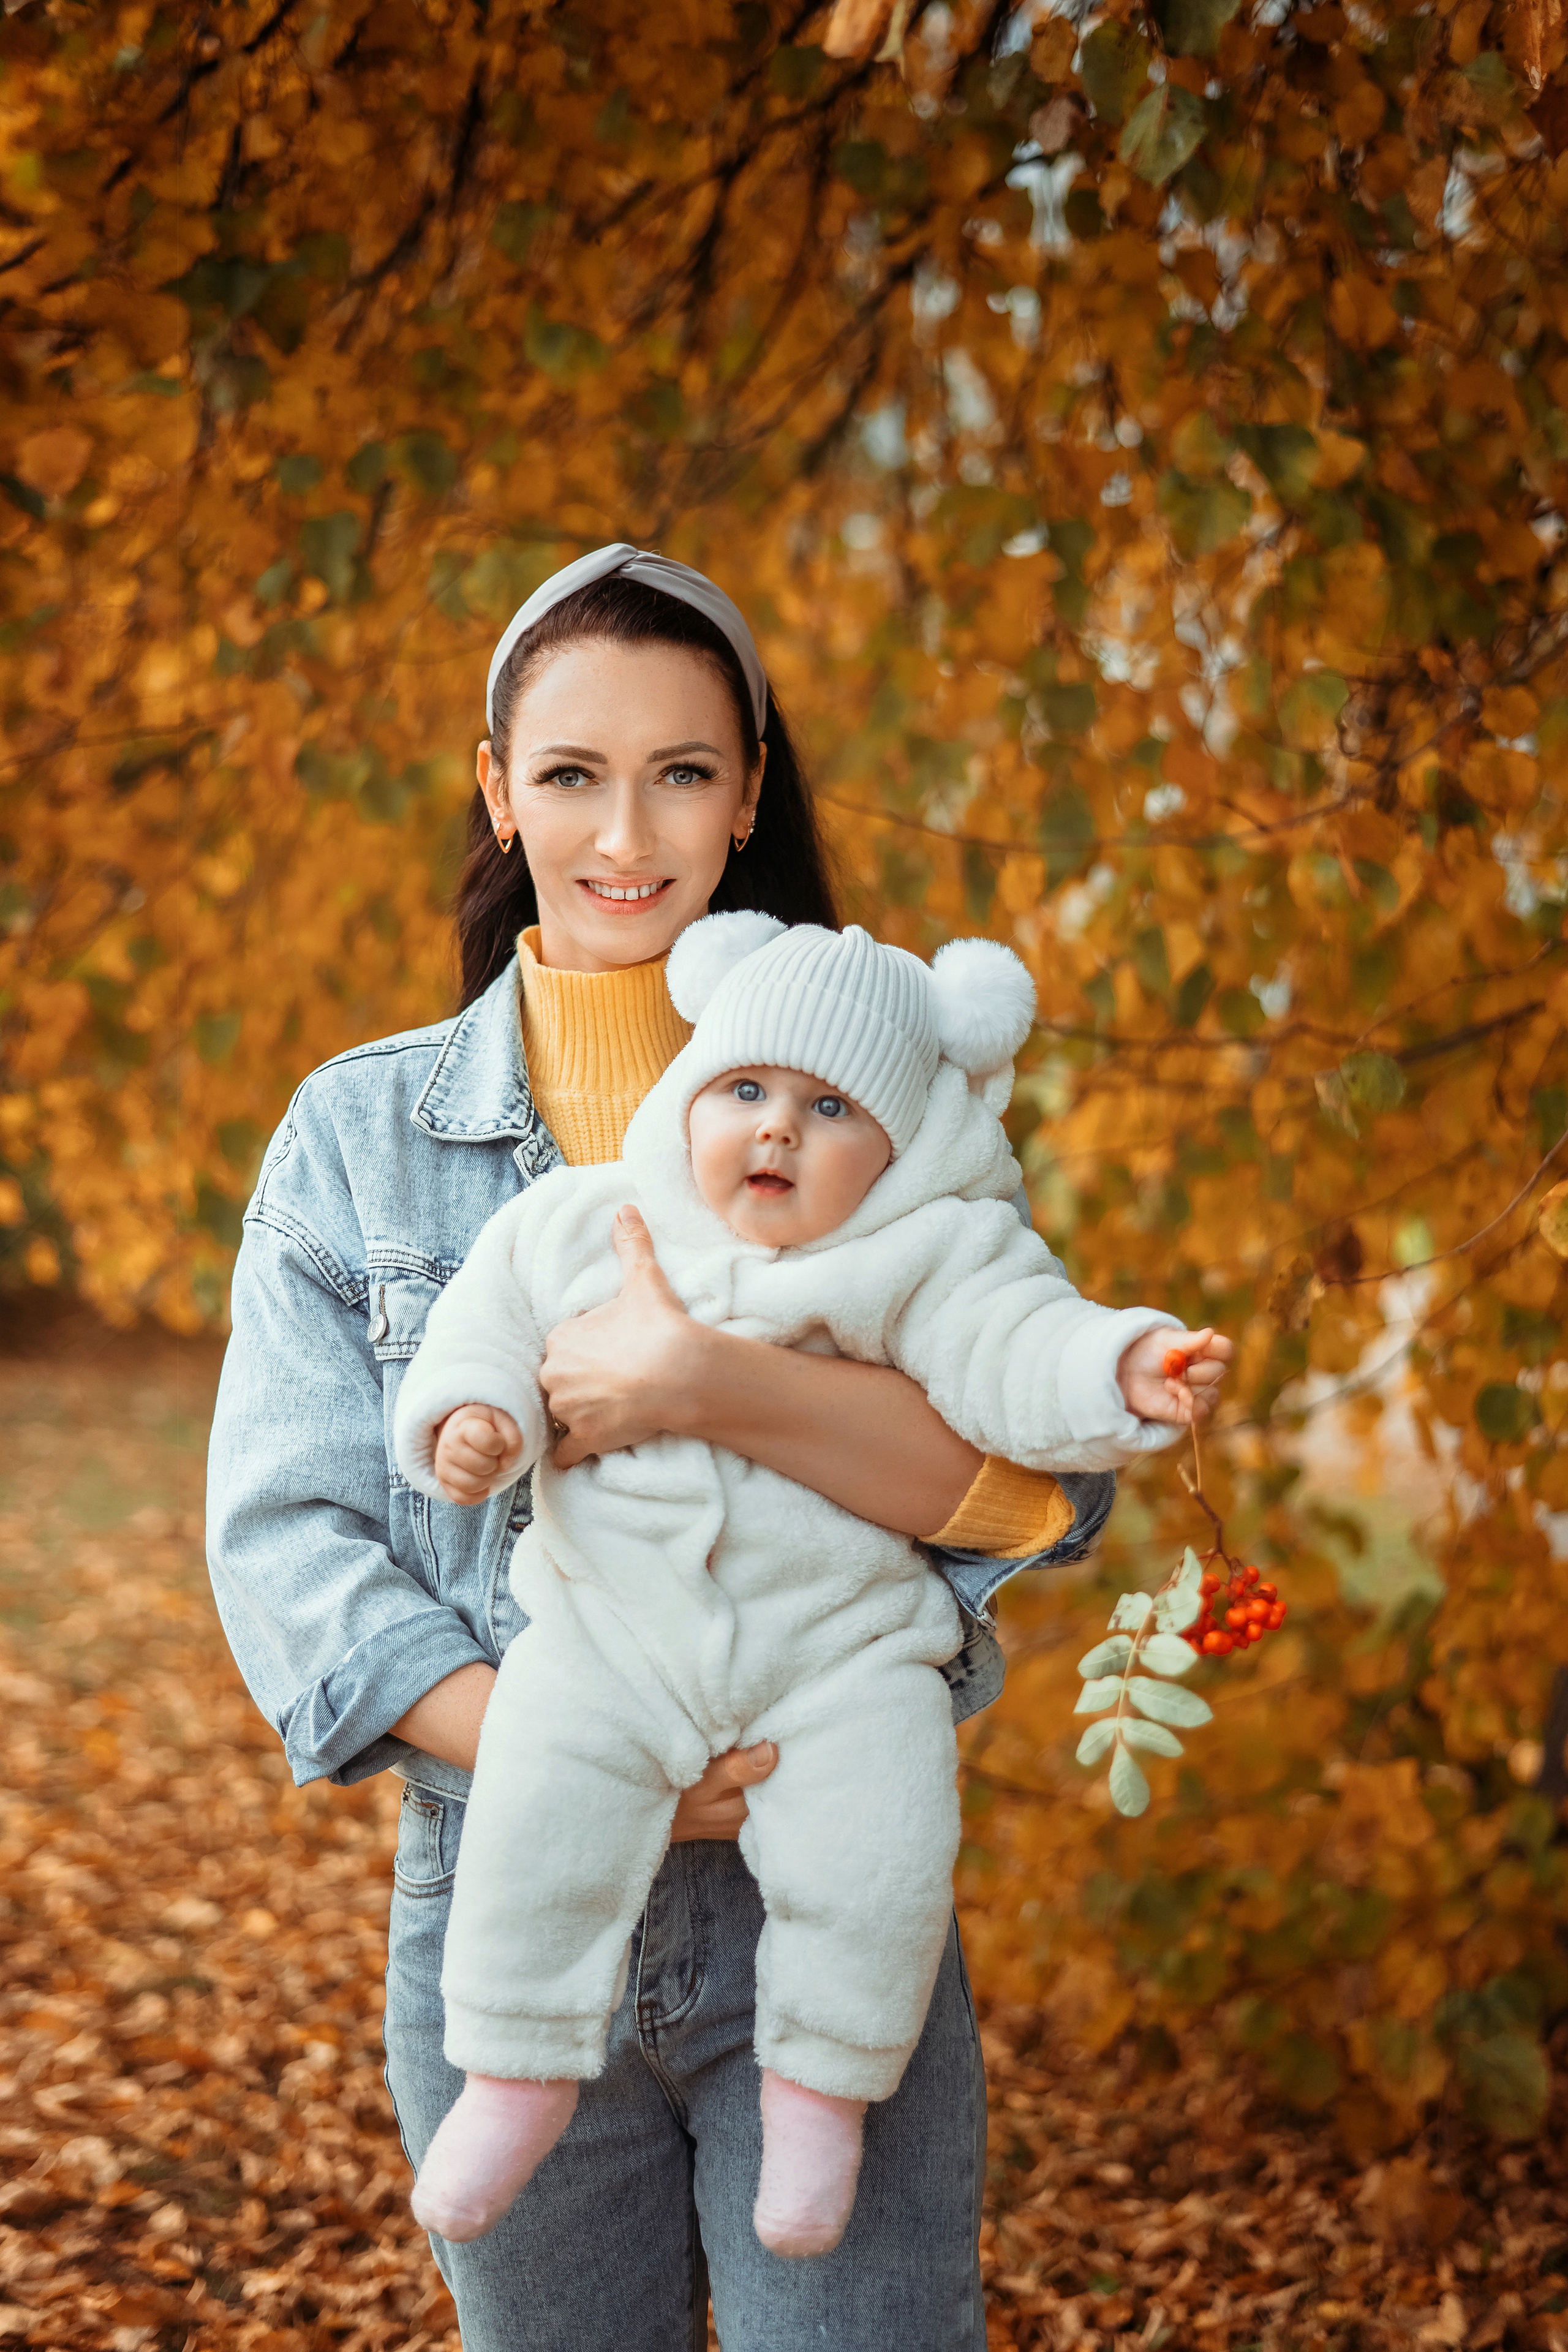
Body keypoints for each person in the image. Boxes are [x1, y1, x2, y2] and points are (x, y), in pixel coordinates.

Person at [203, 541, 1204, 2352]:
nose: (625, 830)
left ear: (749, 793)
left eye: (680, 771)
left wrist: (709, 1386)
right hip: (507, 1877)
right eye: (572, 773)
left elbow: (1028, 1494)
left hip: (827, 1871)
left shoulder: (889, 1097)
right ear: (496, 788)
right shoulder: (359, 1137)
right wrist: (574, 1765)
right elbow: (290, 1540)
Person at [392, 912, 1228, 2256]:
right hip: (612, 1629)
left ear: (895, 1150)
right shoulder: (593, 1217)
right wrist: (473, 1419)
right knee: (538, 1811)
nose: (773, 1129)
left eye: (827, 1106)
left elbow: (1019, 1346)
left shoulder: (924, 1254)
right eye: (745, 1090)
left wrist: (1117, 1370)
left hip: (837, 1651)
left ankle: (818, 2095)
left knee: (881, 1852)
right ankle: (513, 2069)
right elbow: (483, 1318)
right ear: (693, 1092)